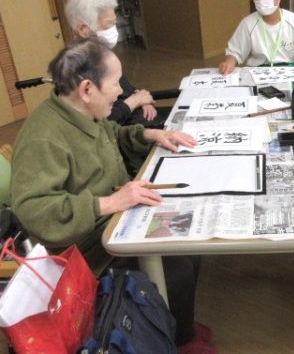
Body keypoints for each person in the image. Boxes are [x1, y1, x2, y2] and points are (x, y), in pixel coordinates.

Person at [11, 39, 216, 353]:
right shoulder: (44, 138)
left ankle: (176, 323)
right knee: (176, 270)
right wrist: (109, 203)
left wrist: (149, 133)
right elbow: (33, 210)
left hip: (116, 220)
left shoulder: (81, 111)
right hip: (87, 250)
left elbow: (112, 133)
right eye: (116, 83)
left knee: (188, 243)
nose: (121, 92)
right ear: (87, 88)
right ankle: (178, 340)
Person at [65, 0, 163, 127]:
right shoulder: (77, 68)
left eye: (114, 23)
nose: (114, 30)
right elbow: (100, 123)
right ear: (83, 29)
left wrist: (140, 96)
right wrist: (135, 101)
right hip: (123, 131)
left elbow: (123, 87)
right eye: (108, 25)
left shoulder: (100, 53)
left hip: (139, 117)